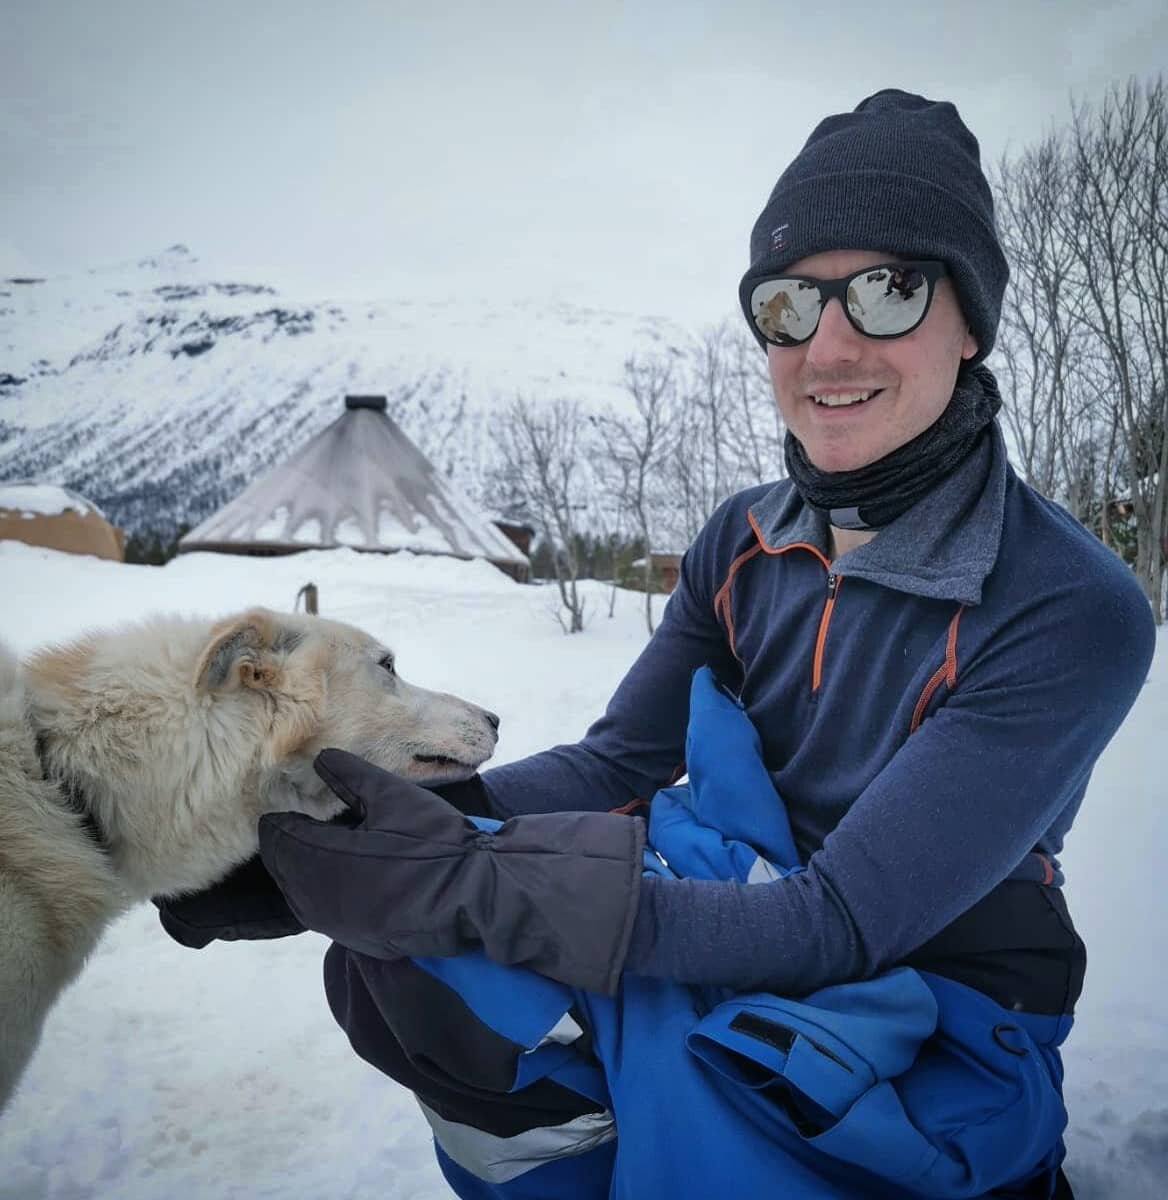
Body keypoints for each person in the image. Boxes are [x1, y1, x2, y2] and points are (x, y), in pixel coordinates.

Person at [157, 90, 1156, 1198]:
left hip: (930, 988)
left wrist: (465, 882)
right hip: (731, 899)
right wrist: (315, 850)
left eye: (887, 289)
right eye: (787, 302)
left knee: (479, 940)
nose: (827, 345)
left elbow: (841, 920)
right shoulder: (743, 539)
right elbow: (615, 762)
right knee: (402, 971)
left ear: (970, 319)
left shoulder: (1064, 604)